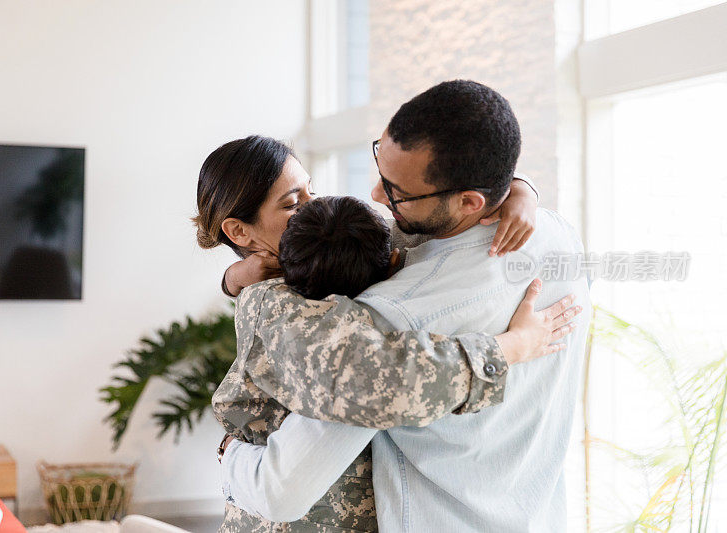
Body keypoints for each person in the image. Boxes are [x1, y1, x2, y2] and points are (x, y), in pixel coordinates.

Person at [218, 80, 593, 532]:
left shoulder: (384, 315)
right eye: (380, 166)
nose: (375, 195)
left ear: (468, 200)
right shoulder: (556, 235)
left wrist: (231, 455)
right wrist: (520, 186)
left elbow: (282, 489)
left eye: (397, 192)